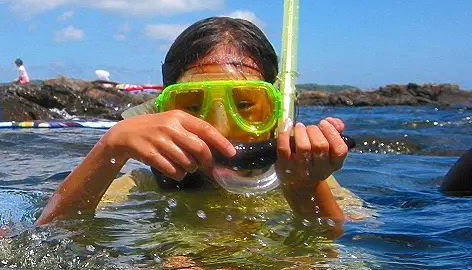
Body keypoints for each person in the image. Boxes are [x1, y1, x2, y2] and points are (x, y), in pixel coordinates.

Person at [37, 16, 351, 225]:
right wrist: (110, 148)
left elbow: (345, 254)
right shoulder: (140, 189)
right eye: (191, 106)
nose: (220, 128)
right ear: (160, 115)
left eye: (245, 105)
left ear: (276, 114)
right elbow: (51, 234)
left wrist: (303, 189)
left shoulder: (315, 181)